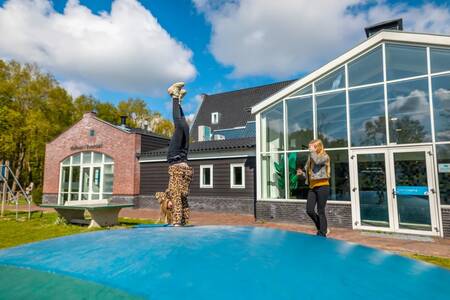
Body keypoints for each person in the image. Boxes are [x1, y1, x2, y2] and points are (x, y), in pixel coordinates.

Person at [155, 82, 193, 226]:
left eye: (168, 206)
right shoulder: (180, 197)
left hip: (174, 156)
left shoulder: (169, 194)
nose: (171, 206)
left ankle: (174, 95)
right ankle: (179, 101)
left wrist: (176, 223)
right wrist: (184, 221)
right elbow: (184, 206)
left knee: (179, 126)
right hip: (183, 159)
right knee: (186, 127)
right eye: (170, 208)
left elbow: (159, 195)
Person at [297, 139, 331, 237]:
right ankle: (322, 227)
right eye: (309, 147)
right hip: (312, 187)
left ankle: (322, 233)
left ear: (317, 146)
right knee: (309, 210)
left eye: (311, 147)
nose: (309, 149)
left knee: (321, 210)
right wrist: (302, 173)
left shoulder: (324, 156)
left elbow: (317, 161)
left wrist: (312, 152)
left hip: (323, 186)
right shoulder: (310, 158)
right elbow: (310, 174)